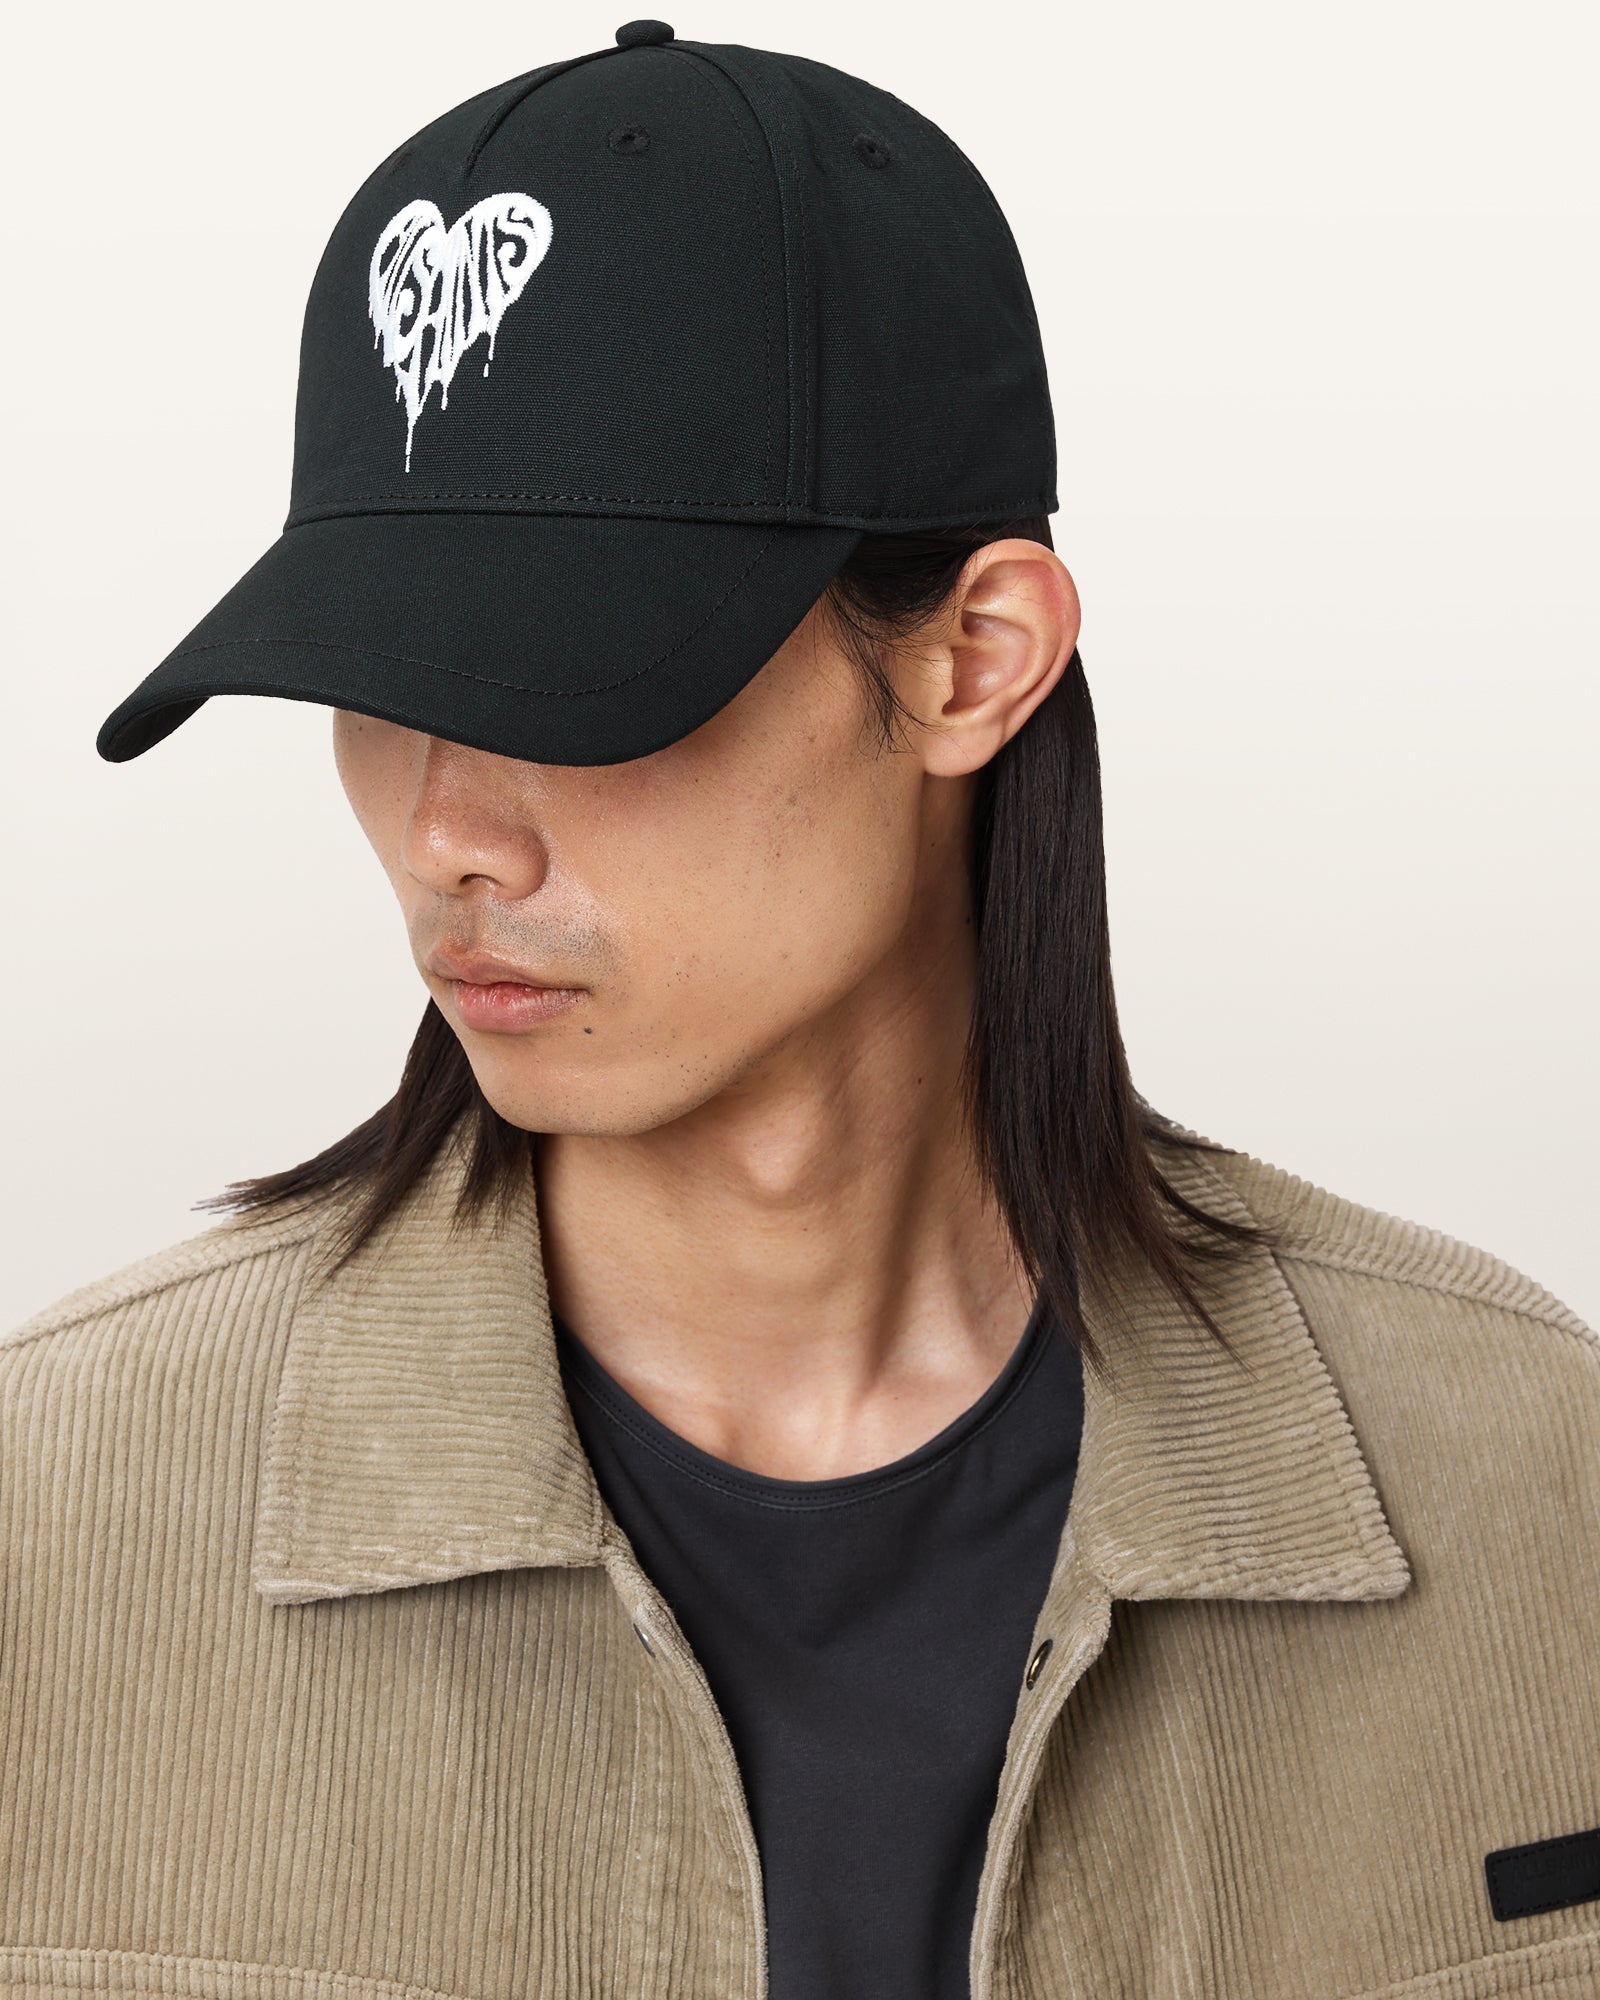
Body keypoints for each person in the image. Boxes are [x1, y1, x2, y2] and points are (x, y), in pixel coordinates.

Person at [4, 20, 1596, 2000]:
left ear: (972, 660)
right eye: (373, 681)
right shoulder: (54, 1517)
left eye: (569, 679)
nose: (445, 835)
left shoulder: (1531, 1475)